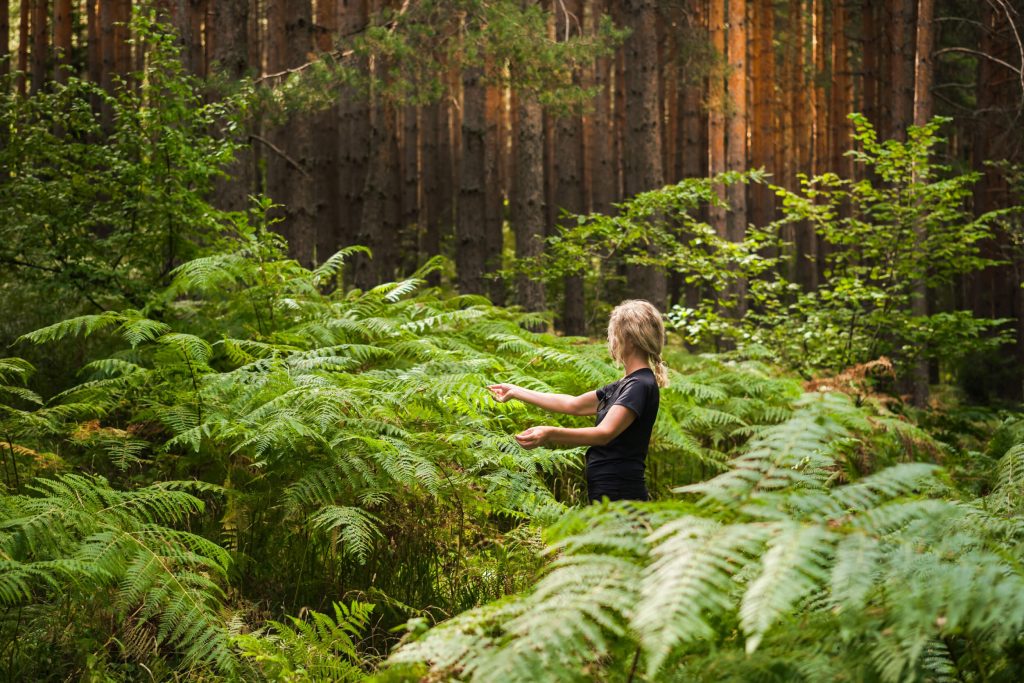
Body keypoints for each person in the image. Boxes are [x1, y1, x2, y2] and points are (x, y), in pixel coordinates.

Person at [487, 300, 669, 502]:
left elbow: (603, 434)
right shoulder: (626, 384)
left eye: (613, 334)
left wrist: (549, 433)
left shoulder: (640, 385)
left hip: (620, 489)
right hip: (609, 487)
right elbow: (573, 404)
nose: (611, 340)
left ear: (630, 338)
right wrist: (516, 391)